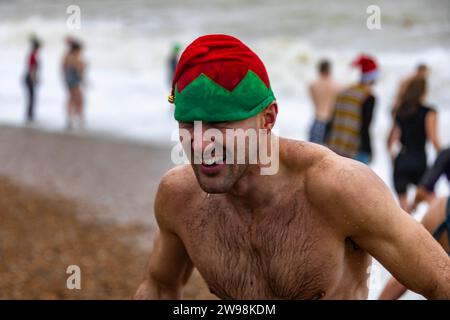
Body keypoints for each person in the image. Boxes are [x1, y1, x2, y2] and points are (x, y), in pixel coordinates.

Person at [134, 35, 450, 300]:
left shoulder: (339, 189)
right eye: (189, 125)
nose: (201, 145)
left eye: (220, 125)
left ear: (267, 118)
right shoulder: (179, 197)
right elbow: (160, 287)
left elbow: (440, 283)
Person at [379, 196, 450, 300]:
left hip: (443, 210)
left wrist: (416, 203)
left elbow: (425, 187)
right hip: (442, 215)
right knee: (412, 264)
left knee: (411, 264)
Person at [387, 78, 441, 212]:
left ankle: (410, 216)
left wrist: (394, 160)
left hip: (402, 159)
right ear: (423, 92)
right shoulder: (429, 112)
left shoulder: (399, 110)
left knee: (404, 212)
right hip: (419, 161)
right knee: (433, 203)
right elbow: (433, 140)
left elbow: (390, 142)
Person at [327, 55, 378, 165]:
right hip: (354, 150)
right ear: (373, 77)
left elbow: (332, 120)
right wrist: (369, 150)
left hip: (334, 146)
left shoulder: (344, 92)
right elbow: (365, 126)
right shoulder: (368, 97)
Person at [308, 59, 340, 144]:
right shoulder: (337, 86)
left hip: (317, 120)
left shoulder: (313, 85)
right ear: (329, 70)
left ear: (319, 70)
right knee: (330, 154)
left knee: (313, 153)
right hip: (332, 122)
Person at [62, 37, 86, 130]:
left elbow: (63, 68)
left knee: (71, 99)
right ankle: (78, 118)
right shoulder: (74, 57)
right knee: (78, 99)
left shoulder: (67, 56)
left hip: (68, 80)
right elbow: (80, 70)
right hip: (74, 80)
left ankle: (70, 119)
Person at [24, 35, 41, 123]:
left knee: (31, 97)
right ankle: (30, 115)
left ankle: (30, 115)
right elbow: (32, 69)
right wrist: (34, 79)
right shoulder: (33, 56)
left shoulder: (32, 55)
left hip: (28, 77)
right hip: (29, 78)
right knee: (32, 97)